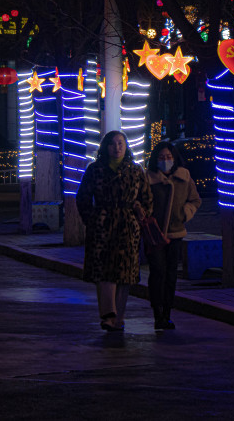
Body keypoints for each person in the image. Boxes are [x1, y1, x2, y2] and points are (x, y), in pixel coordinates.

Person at [76, 131, 151, 332]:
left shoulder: (136, 171)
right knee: (104, 272)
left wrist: (138, 216)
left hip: (127, 227)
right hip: (102, 225)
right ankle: (108, 314)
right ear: (105, 147)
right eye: (112, 144)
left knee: (124, 274)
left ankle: (120, 315)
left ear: (126, 146)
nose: (117, 147)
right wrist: (92, 219)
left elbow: (147, 198)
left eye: (120, 143)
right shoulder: (95, 170)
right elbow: (82, 197)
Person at [146, 141, 201, 330]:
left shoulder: (184, 177)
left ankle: (167, 312)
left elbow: (195, 199)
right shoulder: (149, 178)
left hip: (176, 233)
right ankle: (157, 313)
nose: (165, 160)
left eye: (168, 157)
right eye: (161, 157)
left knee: (170, 274)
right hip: (155, 235)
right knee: (158, 272)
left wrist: (184, 213)